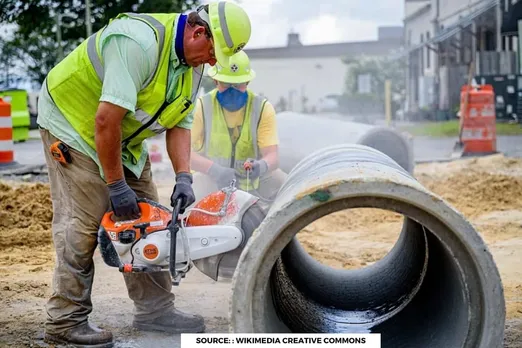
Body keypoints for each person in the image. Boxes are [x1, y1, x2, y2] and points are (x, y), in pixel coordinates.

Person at [36, 2, 251, 347]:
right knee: (83, 223)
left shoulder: (192, 63)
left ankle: (155, 310)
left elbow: (179, 123)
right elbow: (105, 121)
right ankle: (64, 322)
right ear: (198, 33)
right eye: (213, 54)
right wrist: (116, 185)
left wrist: (184, 176)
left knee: (149, 222)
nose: (212, 63)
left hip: (123, 136)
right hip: (74, 125)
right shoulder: (138, 43)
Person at [190, 51, 287, 204]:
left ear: (247, 82)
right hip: (212, 179)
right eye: (226, 84)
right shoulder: (202, 107)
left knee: (282, 183)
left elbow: (273, 156)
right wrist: (215, 170)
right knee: (193, 186)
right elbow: (184, 154)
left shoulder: (261, 108)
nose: (232, 90)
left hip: (251, 180)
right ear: (215, 81)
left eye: (237, 85)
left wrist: (261, 166)